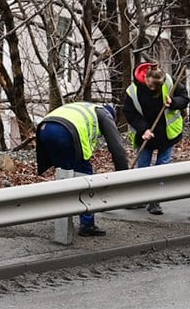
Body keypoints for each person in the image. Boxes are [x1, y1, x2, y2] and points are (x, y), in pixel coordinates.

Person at [35, 101, 130, 237]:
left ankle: (62, 223)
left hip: (44, 129)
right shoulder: (105, 114)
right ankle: (87, 225)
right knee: (85, 180)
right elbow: (117, 149)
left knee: (63, 176)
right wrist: (124, 177)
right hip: (65, 132)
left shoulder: (85, 107)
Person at [124, 62, 189, 215]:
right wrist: (143, 129)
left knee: (162, 166)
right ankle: (141, 198)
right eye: (151, 86)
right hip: (146, 134)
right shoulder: (133, 91)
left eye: (157, 87)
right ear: (145, 78)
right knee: (144, 166)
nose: (154, 90)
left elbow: (184, 98)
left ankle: (155, 200)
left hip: (167, 133)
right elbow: (130, 113)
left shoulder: (168, 81)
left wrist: (173, 103)